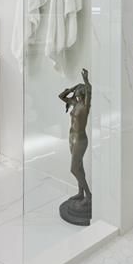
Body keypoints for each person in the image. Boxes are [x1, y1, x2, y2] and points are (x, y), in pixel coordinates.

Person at [58, 68, 92, 208]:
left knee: (74, 169)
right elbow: (61, 96)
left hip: (80, 139)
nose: (77, 95)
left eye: (79, 92)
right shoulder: (76, 104)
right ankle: (81, 193)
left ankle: (89, 196)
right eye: (76, 92)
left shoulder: (85, 106)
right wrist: (72, 88)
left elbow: (89, 91)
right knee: (79, 166)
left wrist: (86, 81)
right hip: (71, 137)